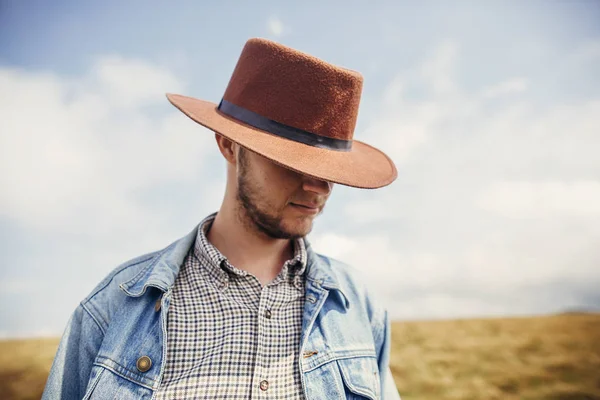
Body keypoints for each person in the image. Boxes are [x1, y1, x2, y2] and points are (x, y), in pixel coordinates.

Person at [43, 37, 400, 400]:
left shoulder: (357, 304)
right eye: (294, 163)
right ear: (228, 145)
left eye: (331, 170)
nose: (320, 188)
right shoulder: (114, 307)